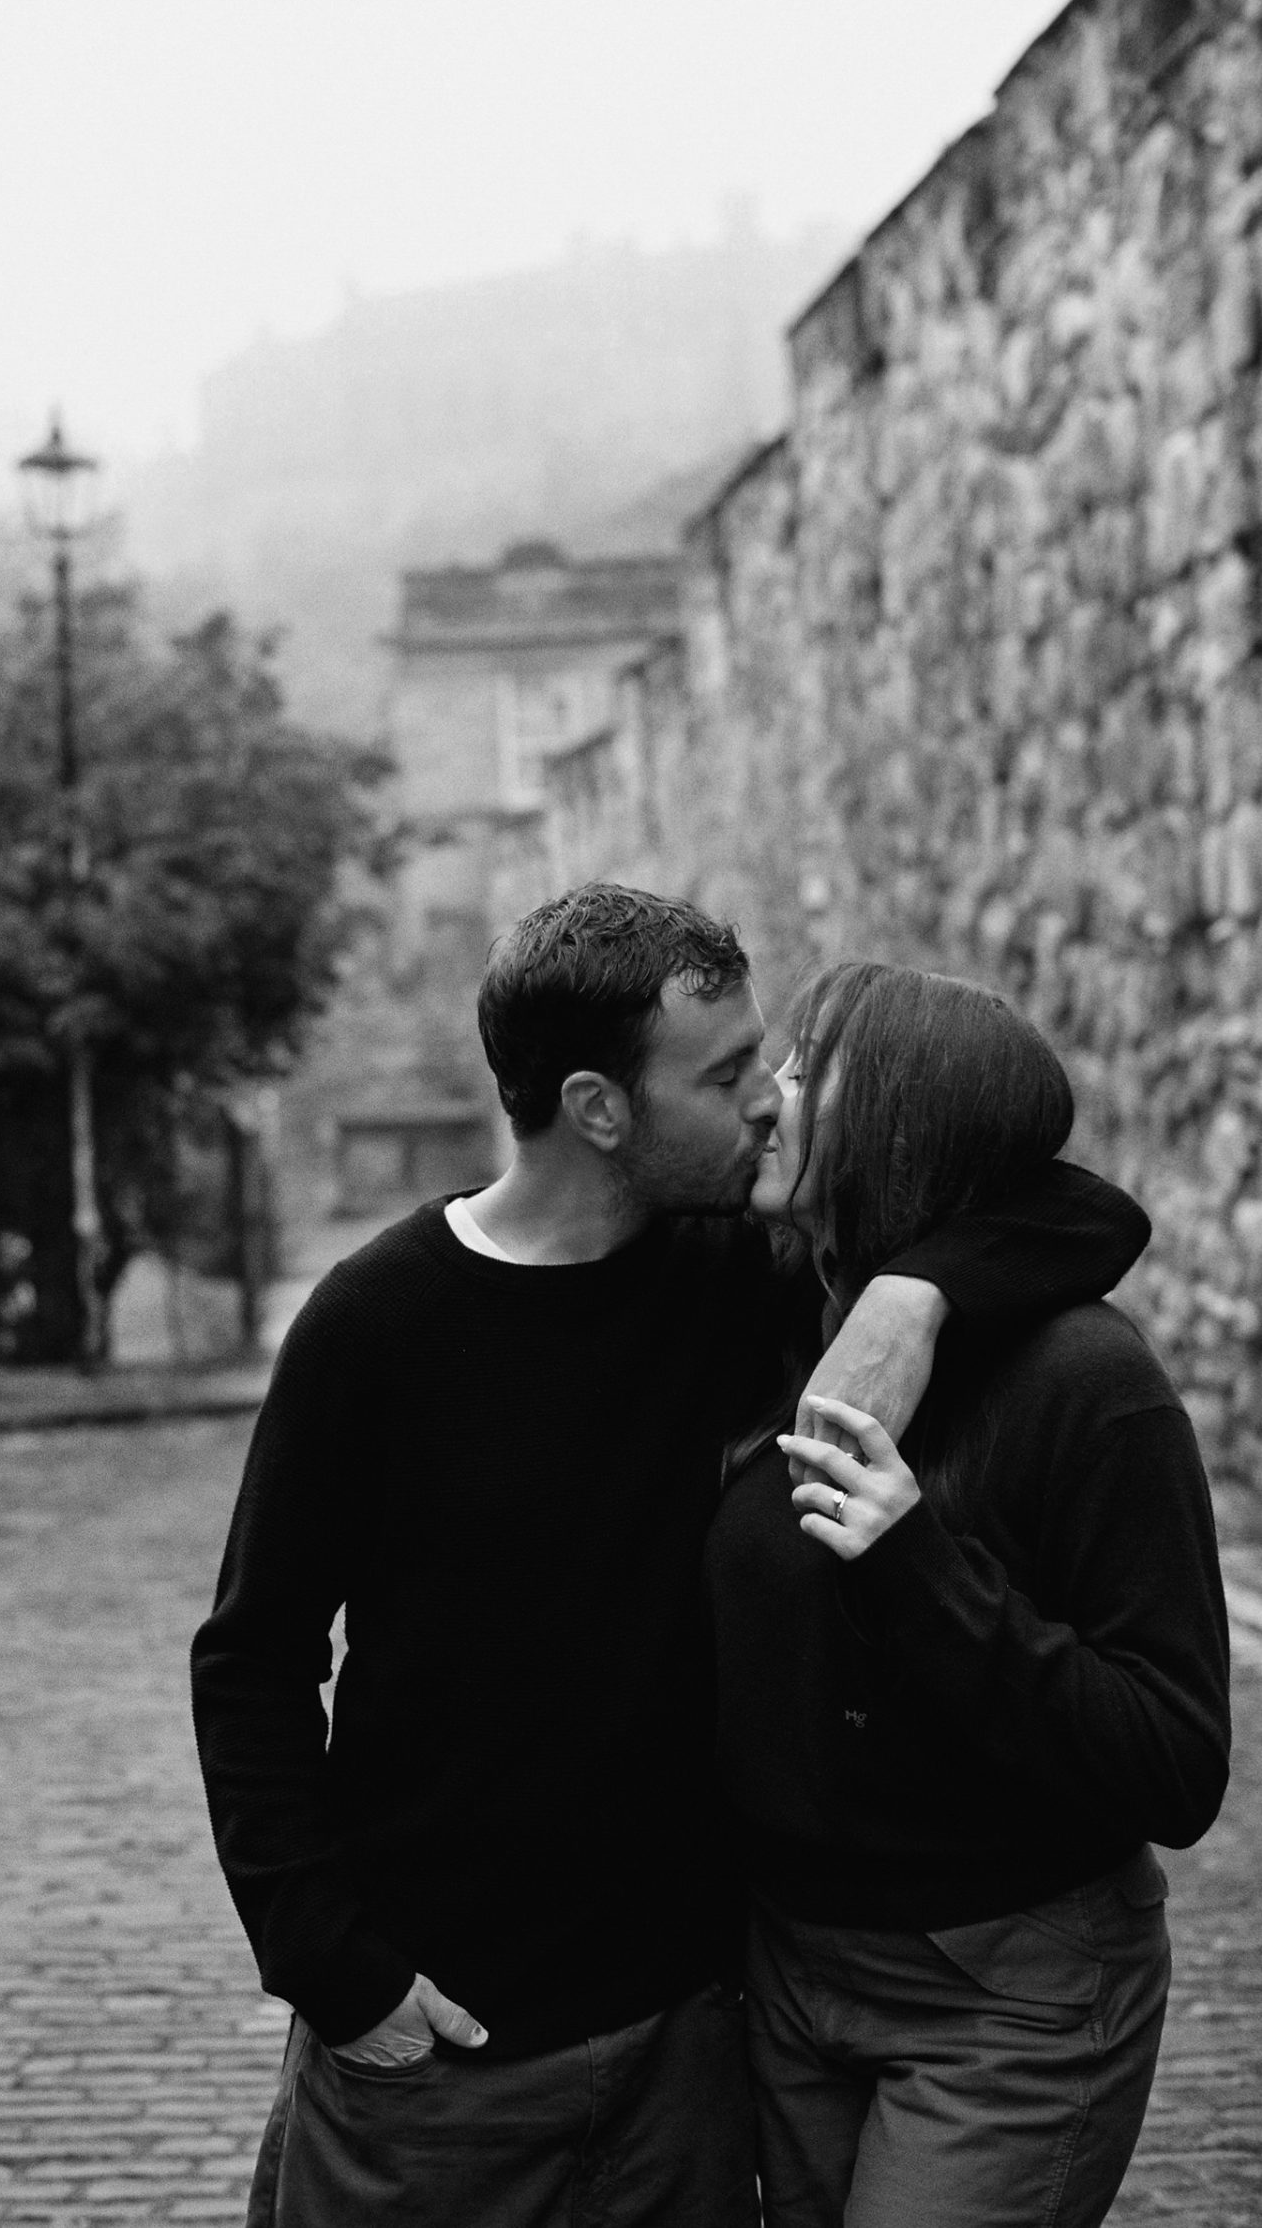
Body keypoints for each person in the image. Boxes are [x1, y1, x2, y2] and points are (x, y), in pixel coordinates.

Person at [192, 886, 1149, 2228]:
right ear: (598, 1105)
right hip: (440, 2051)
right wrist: (333, 1970)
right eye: (724, 1071)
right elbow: (254, 1653)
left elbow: (1082, 1214)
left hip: (688, 2048)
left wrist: (914, 1293)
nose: (767, 1097)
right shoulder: (376, 1321)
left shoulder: (733, 1270)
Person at [708, 960, 1232, 2228]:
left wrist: (917, 1567)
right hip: (788, 1972)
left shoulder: (1086, 1379)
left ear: (897, 1117)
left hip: (1006, 1991)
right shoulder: (785, 1306)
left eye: (801, 1068)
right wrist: (911, 1286)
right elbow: (1094, 1207)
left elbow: (1176, 1763)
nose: (767, 1100)